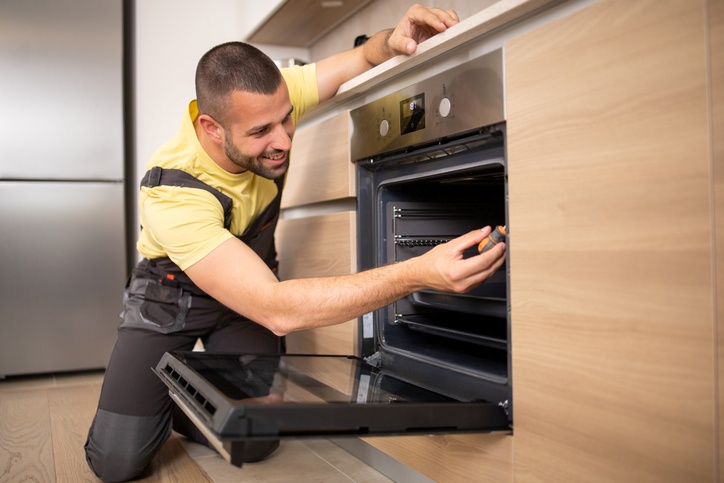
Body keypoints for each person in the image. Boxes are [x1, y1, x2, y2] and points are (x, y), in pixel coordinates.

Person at [85, 5, 506, 482]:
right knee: (117, 463)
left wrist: (393, 39)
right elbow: (276, 308)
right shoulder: (173, 192)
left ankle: (182, 395)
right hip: (171, 297)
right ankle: (157, 397)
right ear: (212, 129)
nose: (283, 140)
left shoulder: (269, 100)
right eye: (261, 132)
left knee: (259, 434)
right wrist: (418, 273)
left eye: (286, 119)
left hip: (247, 290)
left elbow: (363, 56)